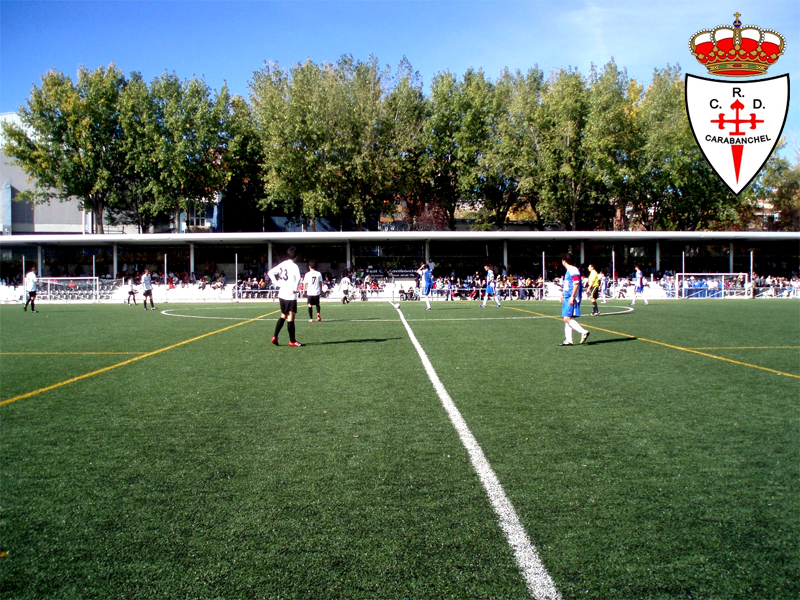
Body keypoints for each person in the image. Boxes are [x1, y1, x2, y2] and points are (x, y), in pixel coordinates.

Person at [267, 246, 303, 347]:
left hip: (282, 294)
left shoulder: (283, 264)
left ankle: (275, 336)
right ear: (296, 256)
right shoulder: (294, 266)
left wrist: (276, 283)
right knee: (291, 317)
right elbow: (299, 278)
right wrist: (295, 288)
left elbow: (270, 273)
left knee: (283, 315)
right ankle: (292, 340)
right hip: (290, 295)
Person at [560, 252, 590, 346]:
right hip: (567, 296)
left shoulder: (573, 270)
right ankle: (568, 340)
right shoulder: (569, 271)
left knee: (567, 318)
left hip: (571, 297)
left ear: (564, 261)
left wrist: (572, 296)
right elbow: (567, 285)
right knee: (567, 318)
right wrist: (562, 294)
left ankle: (583, 332)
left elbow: (576, 284)